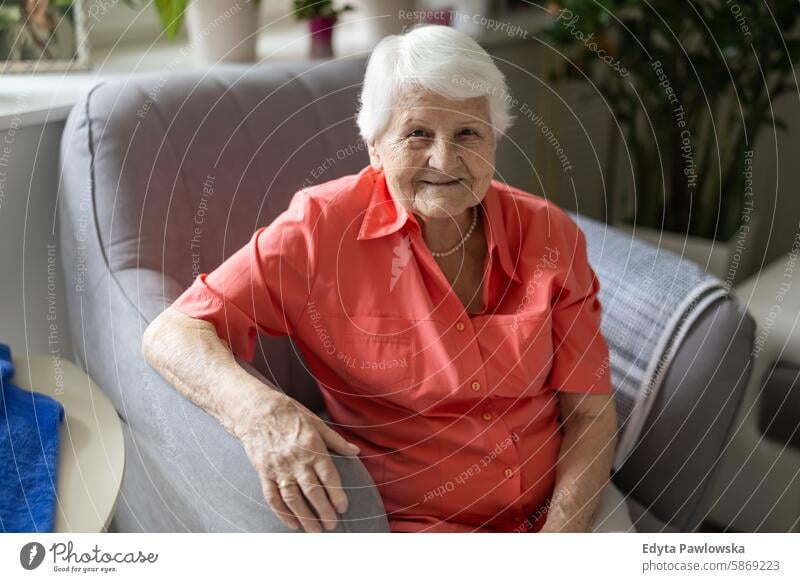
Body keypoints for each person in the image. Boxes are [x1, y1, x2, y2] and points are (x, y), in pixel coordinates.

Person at [142, 24, 634, 533]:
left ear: (495, 141)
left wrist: (561, 543)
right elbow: (172, 332)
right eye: (417, 133)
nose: (444, 160)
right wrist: (259, 414)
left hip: (567, 507)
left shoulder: (548, 233)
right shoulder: (320, 232)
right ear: (374, 145)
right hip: (421, 526)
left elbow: (589, 415)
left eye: (468, 133)